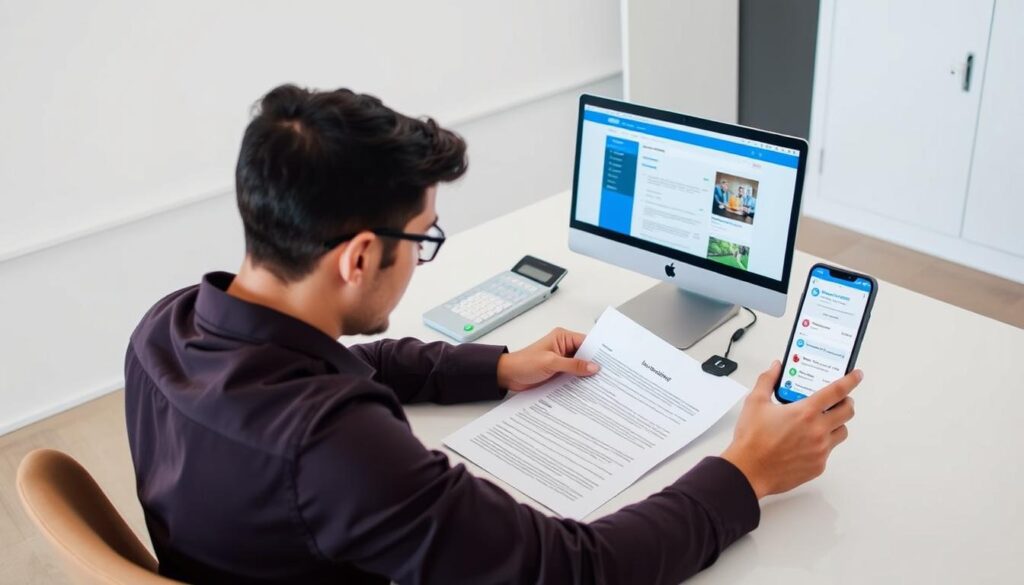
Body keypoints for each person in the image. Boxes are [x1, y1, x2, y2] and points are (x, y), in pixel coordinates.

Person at [125, 84, 861, 585]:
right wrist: (748, 471)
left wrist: (497, 365)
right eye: (421, 239)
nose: (420, 256)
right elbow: (578, 568)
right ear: (357, 257)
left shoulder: (167, 327)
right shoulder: (336, 451)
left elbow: (348, 359)